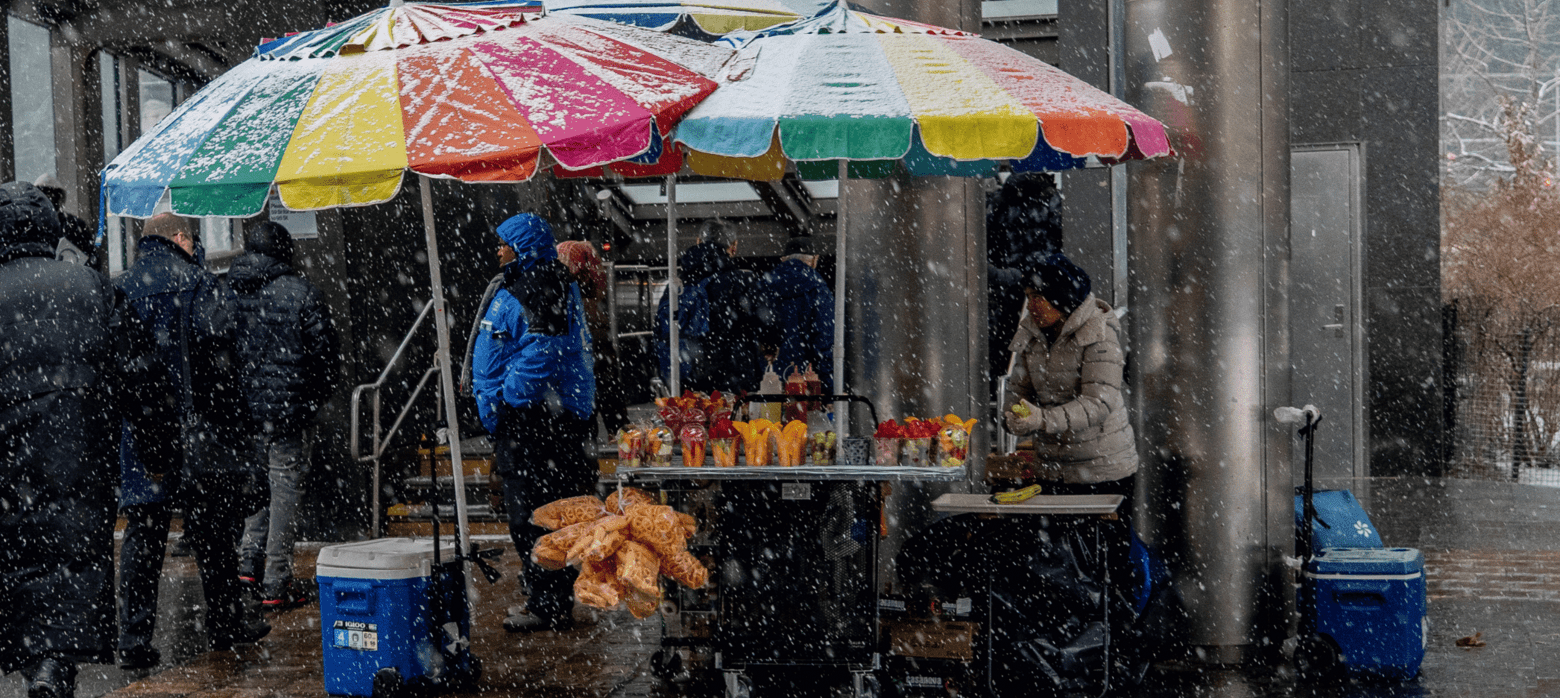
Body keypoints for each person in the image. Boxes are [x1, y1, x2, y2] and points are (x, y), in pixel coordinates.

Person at [0, 182, 180, 698]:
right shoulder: (91, 289)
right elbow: (142, 379)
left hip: (10, 466)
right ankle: (54, 666)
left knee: (17, 557)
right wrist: (157, 450)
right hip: (75, 460)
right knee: (67, 562)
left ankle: (38, 664)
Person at [116, 213, 269, 670]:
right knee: (213, 534)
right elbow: (224, 361)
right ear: (181, 238)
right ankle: (223, 622)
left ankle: (133, 637)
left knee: (143, 536)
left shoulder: (119, 287)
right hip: (197, 435)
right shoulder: (201, 284)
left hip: (140, 437)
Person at [470, 214, 595, 633]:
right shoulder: (526, 282)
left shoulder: (540, 285)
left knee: (533, 517)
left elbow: (545, 348)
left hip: (534, 423)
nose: (497, 249)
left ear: (522, 246)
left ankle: (548, 602)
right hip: (525, 421)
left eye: (504, 243)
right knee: (531, 515)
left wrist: (508, 397)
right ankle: (544, 590)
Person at [228, 222, 341, 609]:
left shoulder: (227, 290)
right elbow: (326, 356)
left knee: (255, 489)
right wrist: (310, 400)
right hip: (289, 413)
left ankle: (246, 564)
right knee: (284, 493)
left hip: (244, 415)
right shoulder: (301, 292)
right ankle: (276, 581)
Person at [1002, 252, 1138, 513]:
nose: (1030, 306)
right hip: (1052, 470)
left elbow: (1098, 403)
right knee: (1054, 550)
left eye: (1038, 298)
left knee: (1099, 551)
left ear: (1061, 300)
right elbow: (1020, 389)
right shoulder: (1032, 334)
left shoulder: (1099, 334)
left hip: (1102, 472)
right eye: (1028, 297)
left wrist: (1042, 419)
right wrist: (1012, 416)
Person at [656, 220, 765, 393]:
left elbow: (661, 331)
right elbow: (765, 324)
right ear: (734, 246)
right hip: (734, 379)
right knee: (734, 420)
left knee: (692, 419)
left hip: (688, 378)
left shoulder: (677, 285)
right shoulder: (743, 282)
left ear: (698, 241)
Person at [558, 239, 629, 434]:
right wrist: (619, 429)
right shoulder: (591, 319)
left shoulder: (551, 310)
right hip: (579, 418)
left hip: (558, 416)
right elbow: (609, 388)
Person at [758, 236, 835, 392]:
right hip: (807, 382)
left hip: (767, 381)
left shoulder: (762, 287)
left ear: (783, 259)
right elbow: (824, 340)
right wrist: (828, 386)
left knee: (765, 416)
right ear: (814, 260)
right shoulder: (818, 290)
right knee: (800, 415)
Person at [31, 174, 99, 270]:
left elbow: (92, 258)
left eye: (52, 196)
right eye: (45, 195)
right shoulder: (31, 226)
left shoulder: (75, 224)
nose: (49, 200)